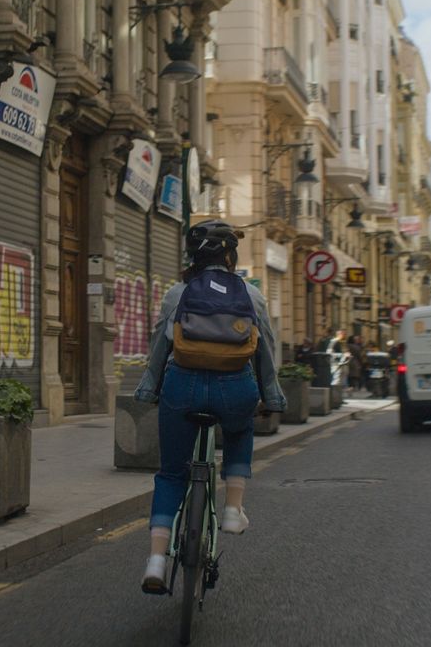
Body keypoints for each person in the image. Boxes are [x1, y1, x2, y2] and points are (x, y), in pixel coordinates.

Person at [134, 220, 286, 594]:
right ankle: (233, 509)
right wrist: (272, 396)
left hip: (181, 386)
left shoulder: (177, 293)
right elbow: (264, 349)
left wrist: (149, 389)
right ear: (231, 257)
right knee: (240, 429)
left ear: (192, 258)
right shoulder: (250, 295)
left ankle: (156, 559)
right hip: (235, 389)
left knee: (171, 473)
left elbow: (159, 348)